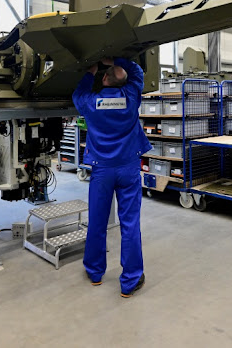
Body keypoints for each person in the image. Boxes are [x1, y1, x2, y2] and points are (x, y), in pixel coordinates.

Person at [72, 56, 152, 298]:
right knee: (129, 224)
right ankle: (130, 281)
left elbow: (78, 94)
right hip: (128, 168)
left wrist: (91, 71)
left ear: (104, 79)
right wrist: (118, 61)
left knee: (97, 222)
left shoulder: (90, 102)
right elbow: (137, 73)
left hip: (102, 170)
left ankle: (95, 273)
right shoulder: (131, 97)